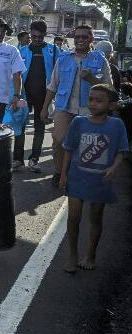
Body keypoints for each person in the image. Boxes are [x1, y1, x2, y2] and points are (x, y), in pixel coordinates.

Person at [59, 84, 129, 273]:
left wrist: (114, 168)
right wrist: (63, 174)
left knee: (96, 218)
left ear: (111, 105)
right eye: (91, 99)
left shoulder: (116, 125)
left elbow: (122, 151)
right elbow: (68, 149)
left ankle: (91, 254)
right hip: (77, 178)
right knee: (73, 217)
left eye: (99, 101)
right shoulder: (79, 122)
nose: (93, 104)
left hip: (100, 182)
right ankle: (72, 254)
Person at [41, 25, 112, 187]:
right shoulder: (63, 58)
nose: (80, 40)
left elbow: (109, 89)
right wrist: (45, 108)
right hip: (65, 108)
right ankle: (59, 171)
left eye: (84, 37)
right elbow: (53, 85)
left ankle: (80, 175)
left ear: (91, 39)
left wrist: (92, 79)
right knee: (59, 140)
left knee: (86, 145)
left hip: (90, 110)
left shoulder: (100, 59)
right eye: (77, 37)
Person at [16, 20, 61, 173]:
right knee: (20, 127)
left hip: (44, 96)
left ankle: (34, 158)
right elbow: (15, 75)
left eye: (40, 37)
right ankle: (17, 159)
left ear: (45, 35)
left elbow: (58, 75)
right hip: (24, 95)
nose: (36, 39)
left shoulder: (54, 50)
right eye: (34, 36)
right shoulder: (22, 51)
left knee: (39, 128)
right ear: (30, 34)